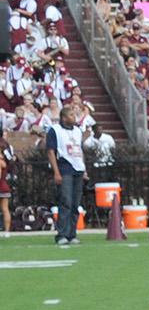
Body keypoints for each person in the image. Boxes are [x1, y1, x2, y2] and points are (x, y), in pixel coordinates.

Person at [44, 103, 87, 245]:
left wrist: (84, 169)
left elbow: (80, 150)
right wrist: (56, 172)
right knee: (65, 201)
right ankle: (61, 234)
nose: (74, 117)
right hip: (65, 167)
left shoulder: (78, 131)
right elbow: (51, 151)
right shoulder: (55, 130)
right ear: (63, 117)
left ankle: (72, 233)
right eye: (71, 115)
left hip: (78, 168)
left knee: (75, 204)